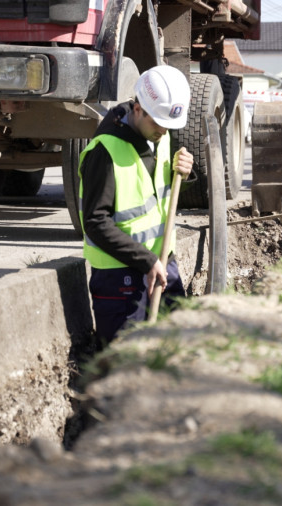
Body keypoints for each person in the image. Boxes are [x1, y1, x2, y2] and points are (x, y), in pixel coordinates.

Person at [78, 65, 195, 343]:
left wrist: (185, 173)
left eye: (169, 125)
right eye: (158, 122)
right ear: (138, 108)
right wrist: (146, 260)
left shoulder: (159, 135)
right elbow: (95, 222)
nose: (164, 131)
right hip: (120, 279)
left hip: (163, 263)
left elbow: (155, 190)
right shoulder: (104, 152)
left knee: (180, 349)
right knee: (126, 363)